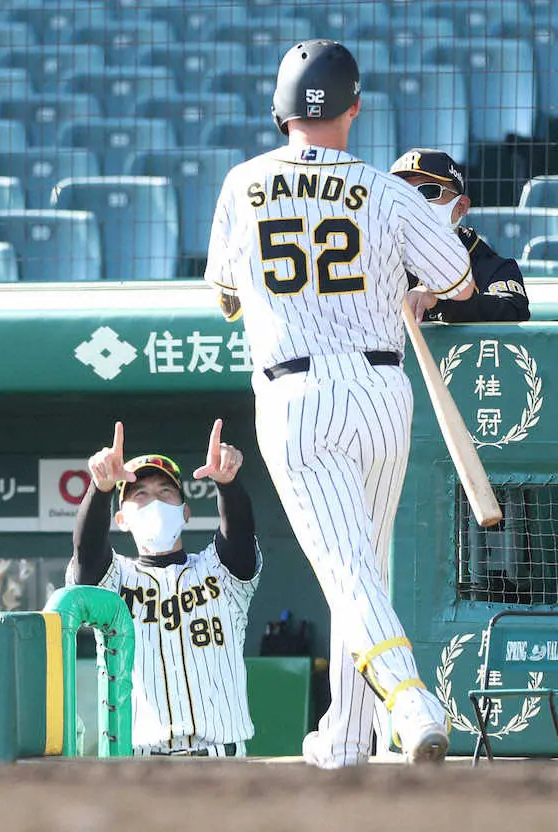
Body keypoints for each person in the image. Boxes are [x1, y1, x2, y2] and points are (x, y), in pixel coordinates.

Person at [204, 40, 476, 767]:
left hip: (296, 393)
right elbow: (456, 278)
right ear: (354, 108)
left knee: (348, 568)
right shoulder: (387, 191)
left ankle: (410, 698)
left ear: (279, 112)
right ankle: (348, 738)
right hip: (382, 390)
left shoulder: (243, 183)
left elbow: (227, 296)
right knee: (360, 567)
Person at [65, 420, 260, 757]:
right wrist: (100, 489)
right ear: (121, 520)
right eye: (140, 494)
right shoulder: (114, 580)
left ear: (185, 513)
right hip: (139, 762)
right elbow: (87, 553)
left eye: (165, 492)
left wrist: (228, 485)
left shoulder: (218, 571)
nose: (153, 501)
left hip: (221, 759)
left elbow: (240, 537)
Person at [390, 147, 530, 323]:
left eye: (428, 191)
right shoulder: (376, 260)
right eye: (401, 194)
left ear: (461, 206)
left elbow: (513, 310)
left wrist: (439, 299)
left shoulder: (493, 267)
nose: (413, 202)